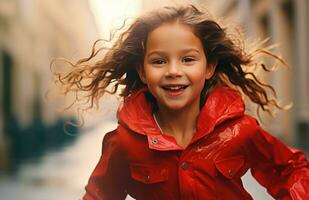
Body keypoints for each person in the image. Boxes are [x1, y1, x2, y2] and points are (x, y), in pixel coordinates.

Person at [55, 4, 309, 200]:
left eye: (188, 59)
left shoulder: (240, 130)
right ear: (142, 72)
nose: (173, 71)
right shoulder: (123, 142)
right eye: (159, 61)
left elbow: (292, 169)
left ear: (209, 67)